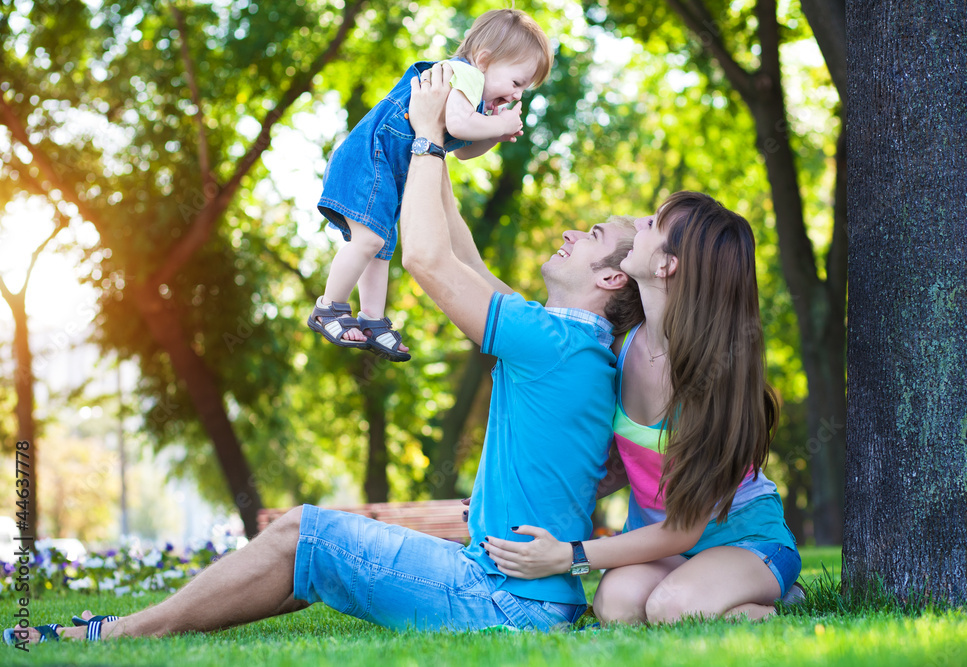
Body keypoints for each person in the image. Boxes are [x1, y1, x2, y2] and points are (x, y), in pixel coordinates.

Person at [2, 62, 639, 646]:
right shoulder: (572, 344)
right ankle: (136, 625)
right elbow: (463, 253)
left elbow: (423, 256)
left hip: (502, 601)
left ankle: (113, 636)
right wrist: (438, 137)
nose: (570, 232)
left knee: (305, 529)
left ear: (611, 280)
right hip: (514, 591)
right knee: (302, 547)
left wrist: (420, 136)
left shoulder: (551, 341)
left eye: (592, 236)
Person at [482, 192, 803, 625]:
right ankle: (706, 590)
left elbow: (684, 528)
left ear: (666, 265)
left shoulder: (711, 382)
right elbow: (534, 330)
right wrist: (509, 491)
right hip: (661, 545)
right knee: (616, 607)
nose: (639, 224)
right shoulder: (620, 344)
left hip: (742, 540)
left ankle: (780, 597)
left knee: (673, 609)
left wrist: (570, 557)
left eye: (653, 224)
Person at [307, 8, 552, 362]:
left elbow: (465, 150)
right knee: (370, 241)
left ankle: (372, 319)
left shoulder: (472, 95)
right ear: (484, 60)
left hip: (386, 167)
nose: (517, 95)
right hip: (369, 157)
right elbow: (458, 123)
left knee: (381, 247)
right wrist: (498, 126)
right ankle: (329, 307)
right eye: (517, 83)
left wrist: (497, 134)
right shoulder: (463, 74)